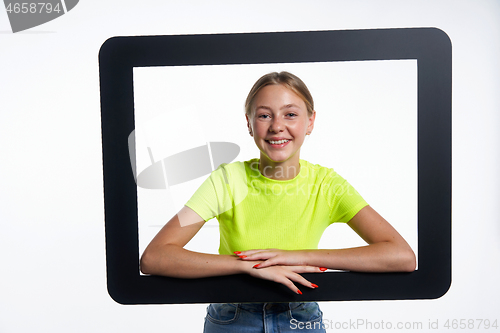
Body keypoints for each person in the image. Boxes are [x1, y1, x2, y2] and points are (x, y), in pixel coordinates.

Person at [140, 71, 416, 332]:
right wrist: (246, 266)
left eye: (291, 114)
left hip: (300, 317)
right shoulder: (226, 180)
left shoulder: (327, 185)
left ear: (310, 122)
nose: (277, 127)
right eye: (264, 115)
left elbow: (401, 256)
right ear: (248, 123)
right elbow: (156, 257)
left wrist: (296, 256)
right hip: (232, 317)